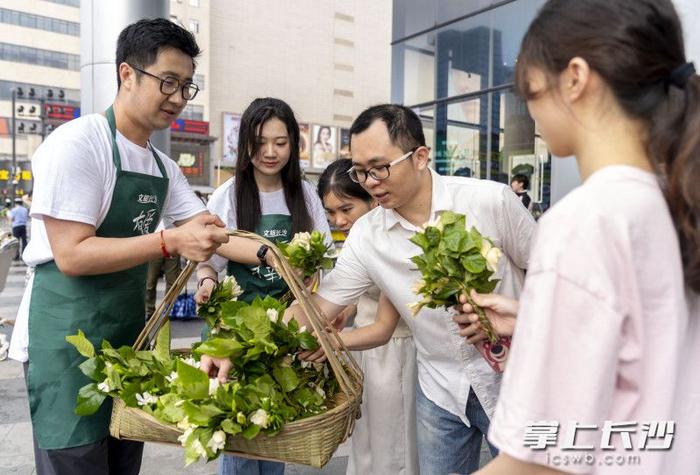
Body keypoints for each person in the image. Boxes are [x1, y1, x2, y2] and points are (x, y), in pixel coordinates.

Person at [205, 104, 536, 474]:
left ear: (421, 157)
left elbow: (552, 278)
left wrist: (516, 313)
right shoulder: (368, 235)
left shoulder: (490, 202)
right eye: (360, 172)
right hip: (440, 389)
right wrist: (238, 348)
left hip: (516, 381)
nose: (370, 182)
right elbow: (316, 307)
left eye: (379, 168)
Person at [452, 1, 700, 473]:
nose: (531, 110)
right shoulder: (675, 204)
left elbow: (538, 464)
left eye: (530, 89)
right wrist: (533, 319)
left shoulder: (584, 222)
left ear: (575, 78)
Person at [8, 18, 229, 475]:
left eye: (186, 86)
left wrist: (268, 255)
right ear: (126, 73)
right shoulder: (78, 145)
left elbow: (202, 228)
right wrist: (169, 240)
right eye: (167, 81)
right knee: (75, 462)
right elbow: (71, 254)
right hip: (65, 343)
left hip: (125, 344)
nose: (177, 97)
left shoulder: (164, 168)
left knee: (124, 458)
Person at [195, 97, 331, 475]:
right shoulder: (229, 194)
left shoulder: (304, 195)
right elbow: (208, 258)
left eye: (281, 142)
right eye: (260, 142)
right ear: (245, 144)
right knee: (239, 435)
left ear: (294, 145)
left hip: (287, 329)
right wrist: (206, 281)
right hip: (238, 333)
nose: (270, 152)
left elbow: (325, 259)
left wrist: (312, 281)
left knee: (275, 429)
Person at [315, 158, 419, 475]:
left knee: (393, 449)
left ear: (372, 198)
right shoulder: (361, 239)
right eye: (331, 213)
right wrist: (343, 311)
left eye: (346, 209)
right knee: (366, 443)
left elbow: (384, 328)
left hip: (393, 355)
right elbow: (357, 296)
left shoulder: (390, 241)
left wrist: (328, 342)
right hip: (362, 351)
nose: (339, 220)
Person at [145, 221, 181, 318]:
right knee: (150, 282)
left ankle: (168, 310)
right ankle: (149, 311)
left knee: (173, 281)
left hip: (173, 242)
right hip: (154, 243)